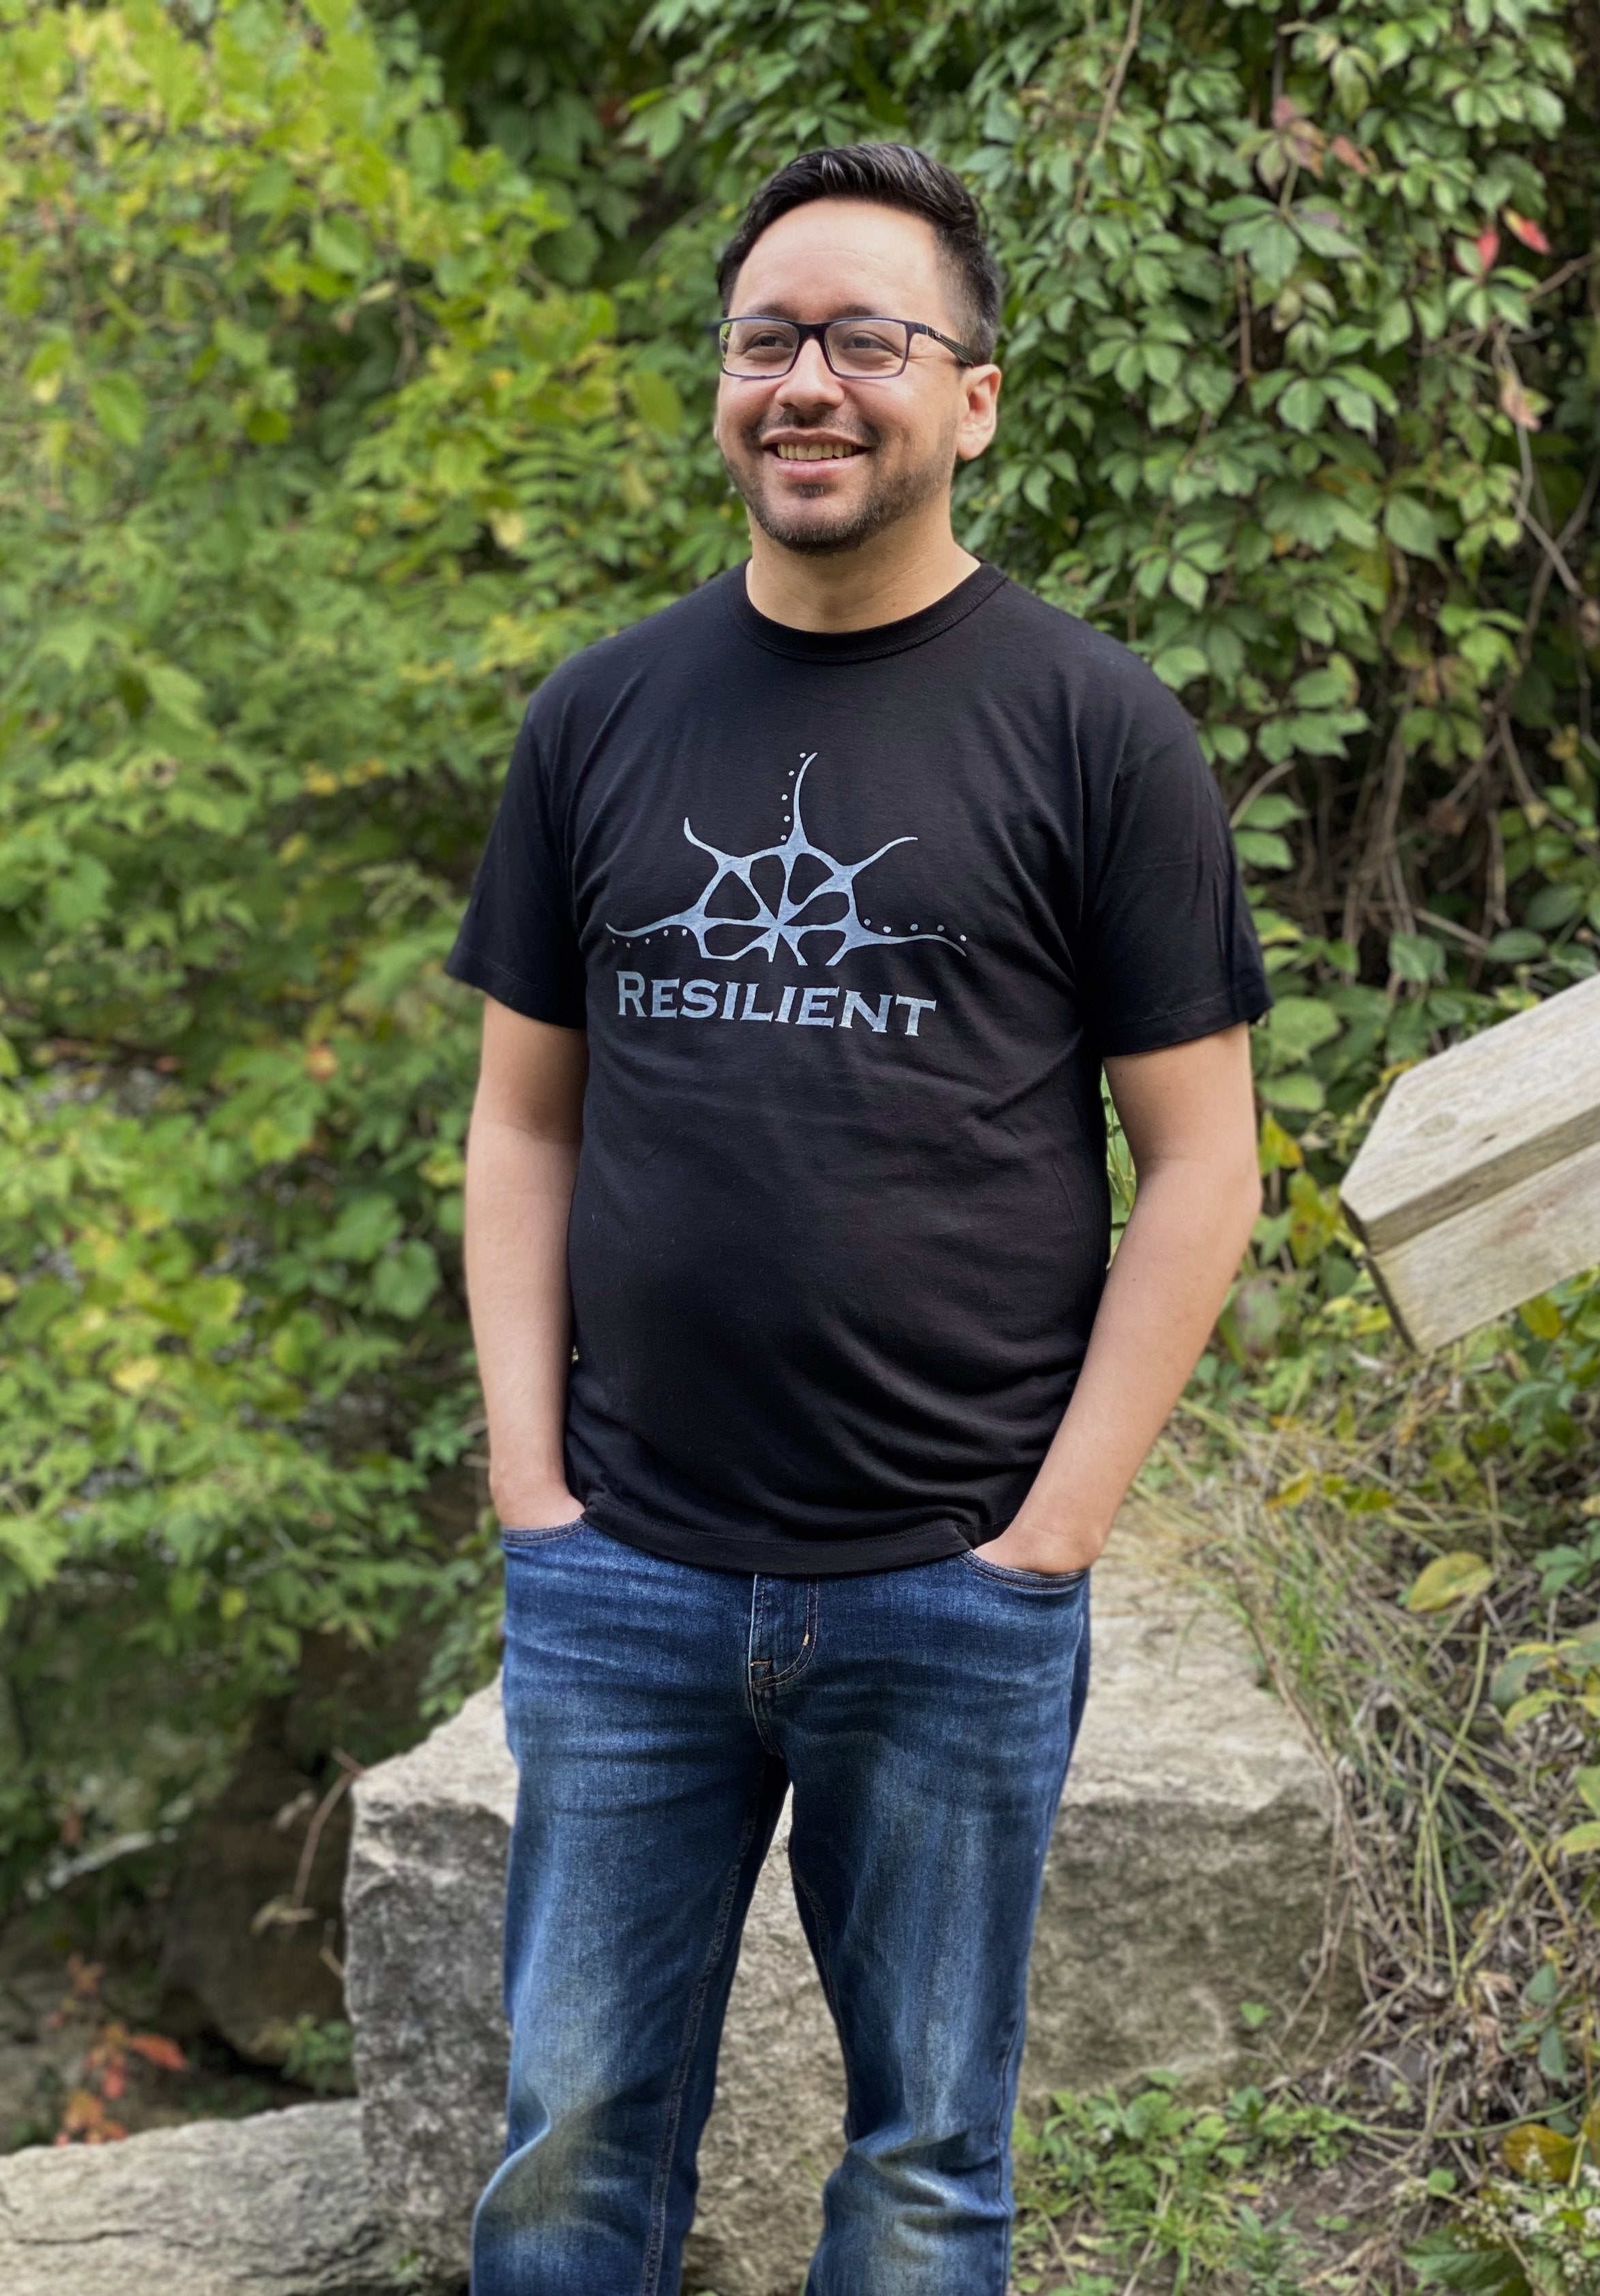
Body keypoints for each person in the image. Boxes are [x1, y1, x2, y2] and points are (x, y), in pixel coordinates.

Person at [445, 141, 1269, 2296]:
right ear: (724, 387)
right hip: (619, 1579)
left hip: (950, 1589)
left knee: (921, 2179)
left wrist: (1048, 1545)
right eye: (764, 341)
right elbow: (523, 1128)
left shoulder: (1098, 733)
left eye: (864, 340)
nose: (805, 382)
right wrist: (533, 1495)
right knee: (563, 2158)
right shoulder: (600, 715)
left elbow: (1203, 1166)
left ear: (973, 397)